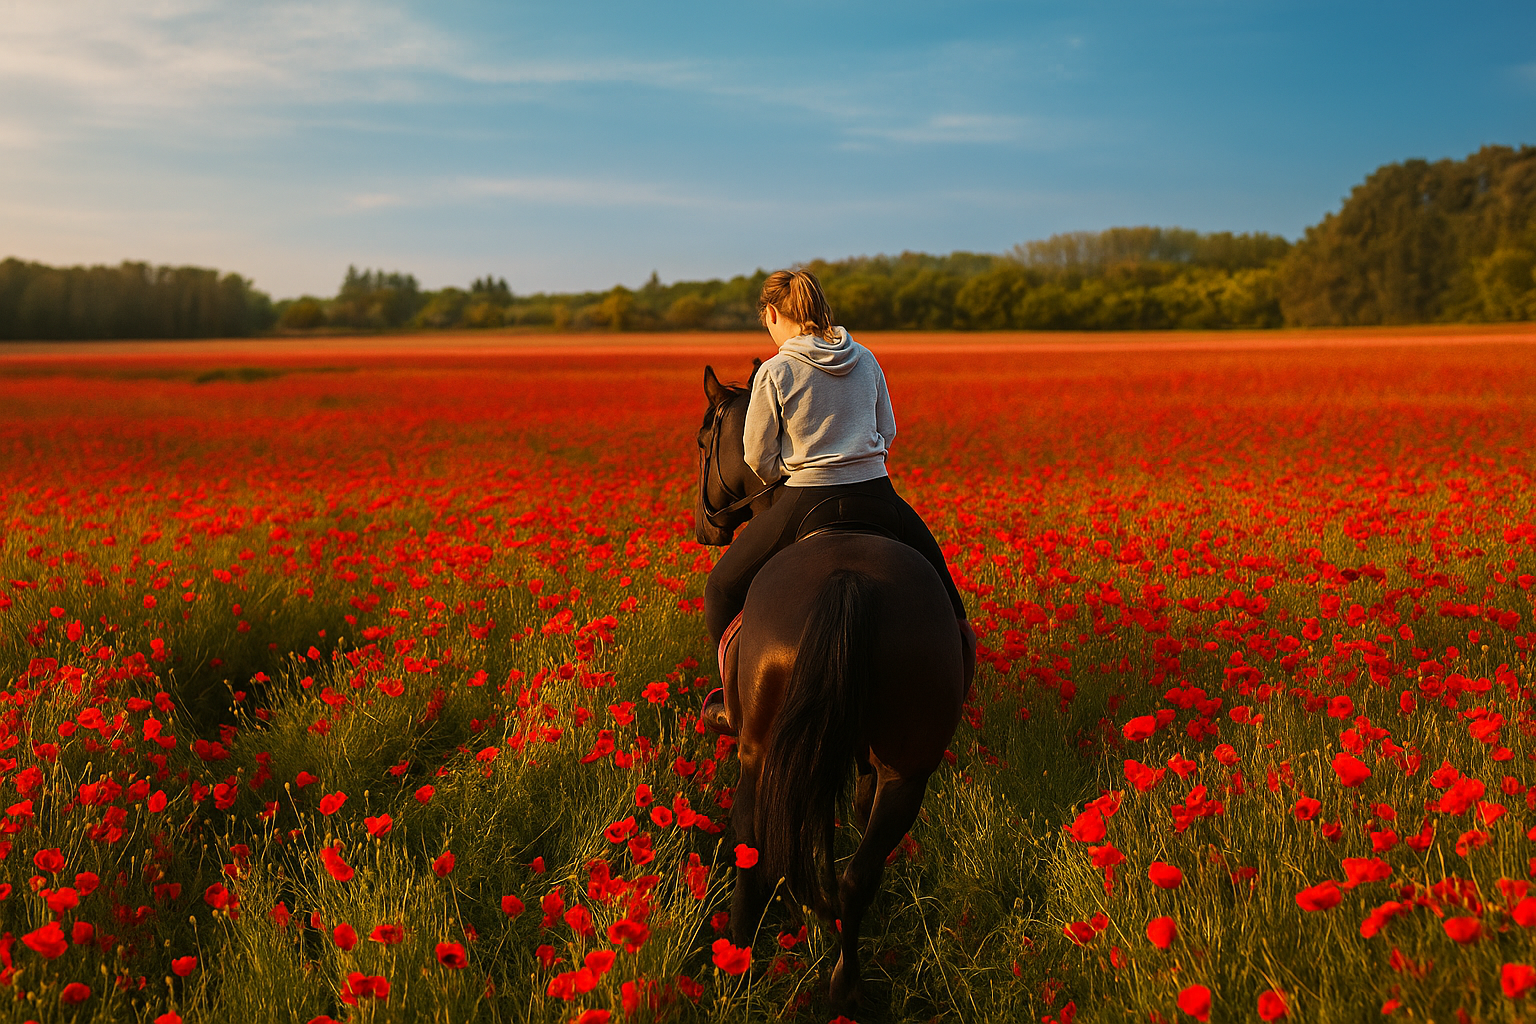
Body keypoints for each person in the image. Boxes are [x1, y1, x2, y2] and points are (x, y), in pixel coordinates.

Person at [701, 270, 976, 733]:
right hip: (877, 494)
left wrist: (787, 472)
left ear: (771, 314)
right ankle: (957, 679)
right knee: (947, 596)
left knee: (721, 590)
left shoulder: (775, 370)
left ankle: (733, 702)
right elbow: (886, 430)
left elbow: (755, 456)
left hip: (806, 499)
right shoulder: (866, 359)